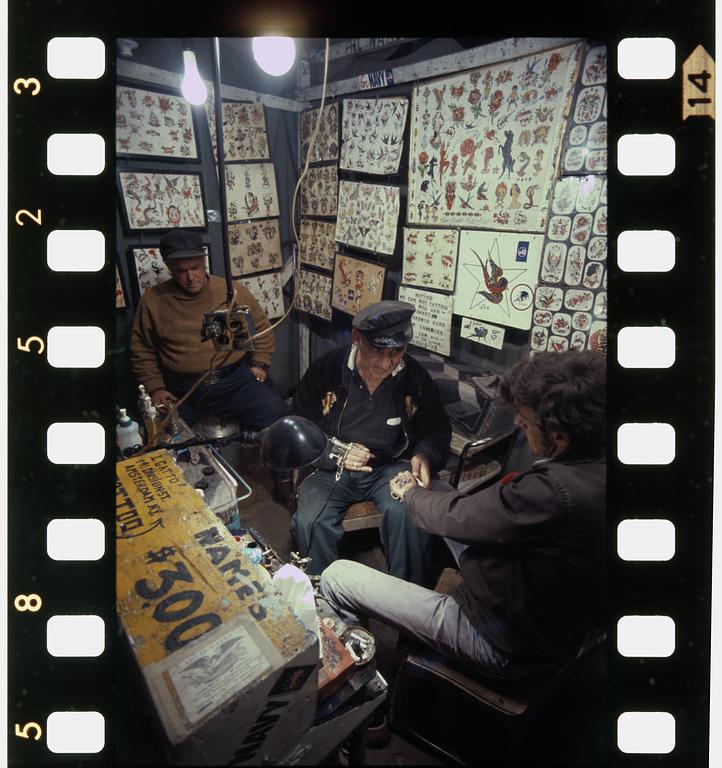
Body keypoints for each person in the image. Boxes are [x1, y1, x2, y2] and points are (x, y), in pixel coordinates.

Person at [320, 349, 606, 679]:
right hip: (535, 605)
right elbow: (479, 513)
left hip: (503, 642)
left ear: (559, 437)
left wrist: (410, 493)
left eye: (526, 421)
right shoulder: (593, 463)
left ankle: (361, 692)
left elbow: (466, 517)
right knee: (439, 492)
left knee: (337, 576)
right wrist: (424, 493)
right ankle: (413, 594)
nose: (517, 422)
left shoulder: (554, 492)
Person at [290, 300, 451, 586]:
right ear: (356, 338)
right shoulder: (326, 370)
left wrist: (425, 454)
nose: (387, 362)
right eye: (378, 350)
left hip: (388, 467)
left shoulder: (413, 377)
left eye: (397, 352)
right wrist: (332, 452)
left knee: (409, 513)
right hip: (329, 470)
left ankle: (406, 602)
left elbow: (437, 429)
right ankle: (325, 605)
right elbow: (296, 430)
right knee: (310, 522)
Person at [130, 229, 289, 450]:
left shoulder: (231, 291)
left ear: (204, 260)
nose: (190, 277)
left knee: (280, 422)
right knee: (168, 443)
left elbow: (261, 327)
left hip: (235, 381)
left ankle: (282, 481)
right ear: (168, 267)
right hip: (183, 390)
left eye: (195, 268)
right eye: (181, 271)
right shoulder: (153, 300)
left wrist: (260, 363)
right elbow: (143, 350)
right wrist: (155, 387)